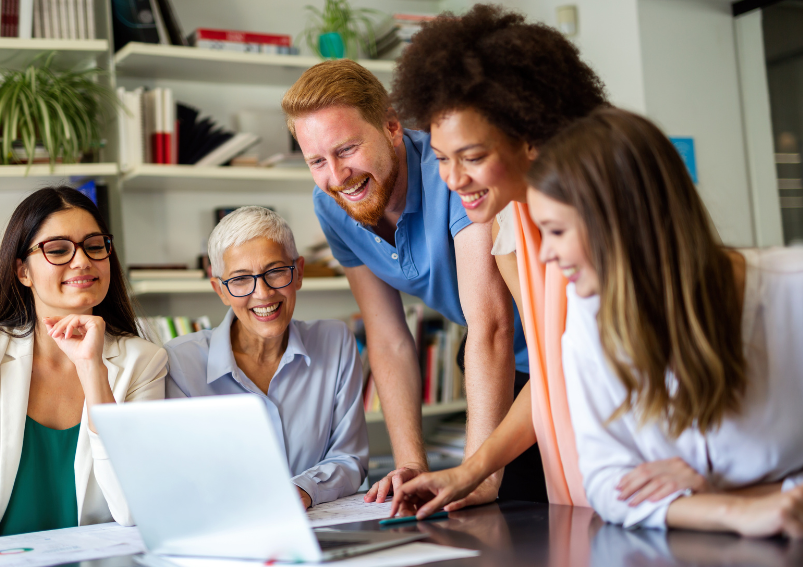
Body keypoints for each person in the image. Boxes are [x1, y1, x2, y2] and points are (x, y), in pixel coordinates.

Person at [527, 107, 803, 537]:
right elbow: (605, 481)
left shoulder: (793, 289)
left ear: (621, 224)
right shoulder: (588, 316)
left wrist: (734, 496)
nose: (545, 254)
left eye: (557, 232)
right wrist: (729, 510)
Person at [282, 58, 539, 505]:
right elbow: (387, 337)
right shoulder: (332, 205)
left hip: (552, 354)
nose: (337, 176)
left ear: (392, 127)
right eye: (317, 161)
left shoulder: (452, 172)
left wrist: (477, 474)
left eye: (346, 150)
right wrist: (411, 467)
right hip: (510, 372)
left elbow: (491, 325)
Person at [389, 5, 608, 518]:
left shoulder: (601, 214)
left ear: (530, 135)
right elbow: (552, 372)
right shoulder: (509, 230)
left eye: (471, 156)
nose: (453, 180)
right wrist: (472, 472)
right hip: (576, 459)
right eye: (441, 159)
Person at [0, 187, 167, 544]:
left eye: (94, 245)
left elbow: (134, 508)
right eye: (58, 250)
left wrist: (92, 369)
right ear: (22, 271)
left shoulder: (144, 361)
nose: (82, 261)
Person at [163, 206, 368, 509]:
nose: (263, 294)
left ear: (298, 272)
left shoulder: (334, 341)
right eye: (242, 279)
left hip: (320, 527)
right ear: (220, 290)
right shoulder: (179, 362)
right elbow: (181, 475)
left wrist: (303, 491)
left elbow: (350, 459)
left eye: (275, 272)